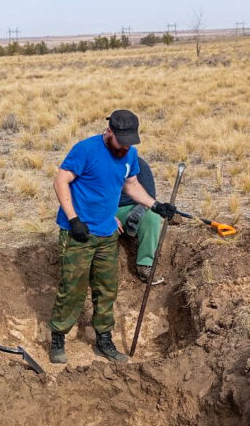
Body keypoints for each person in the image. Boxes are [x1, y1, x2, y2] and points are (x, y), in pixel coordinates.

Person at [49, 110, 176, 365]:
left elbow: (131, 186)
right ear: (109, 132)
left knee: (106, 289)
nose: (125, 145)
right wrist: (74, 220)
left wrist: (155, 205)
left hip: (107, 233)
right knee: (72, 289)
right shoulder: (85, 150)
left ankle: (103, 340)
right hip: (79, 233)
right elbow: (60, 181)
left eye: (129, 141)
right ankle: (58, 338)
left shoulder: (129, 153)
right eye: (121, 140)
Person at [117, 157, 165, 285]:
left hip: (128, 209)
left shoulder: (139, 164)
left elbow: (149, 196)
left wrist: (140, 209)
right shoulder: (98, 162)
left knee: (153, 215)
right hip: (102, 208)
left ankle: (145, 265)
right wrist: (107, 215)